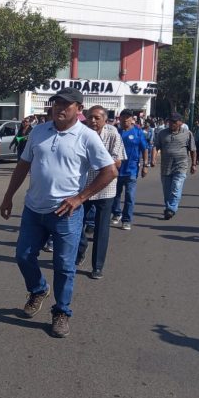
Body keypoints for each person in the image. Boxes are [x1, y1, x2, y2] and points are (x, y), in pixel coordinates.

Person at [0, 88, 116, 338]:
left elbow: (110, 171)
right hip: (33, 209)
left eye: (67, 104)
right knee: (23, 256)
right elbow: (23, 164)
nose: (60, 108)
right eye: (57, 103)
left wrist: (79, 198)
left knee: (64, 266)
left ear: (79, 109)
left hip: (66, 213)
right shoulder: (39, 131)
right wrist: (8, 196)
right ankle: (39, 289)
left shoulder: (87, 136)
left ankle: (61, 311)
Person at [74, 105, 125, 280]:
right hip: (84, 187)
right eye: (90, 118)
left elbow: (117, 162)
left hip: (105, 187)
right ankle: (81, 249)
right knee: (76, 224)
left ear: (105, 119)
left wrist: (96, 163)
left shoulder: (113, 134)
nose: (93, 121)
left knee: (102, 229)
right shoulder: (80, 132)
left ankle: (97, 266)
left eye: (97, 118)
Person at [110, 109, 148, 230]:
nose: (126, 119)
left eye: (128, 117)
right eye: (123, 117)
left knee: (129, 196)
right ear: (119, 118)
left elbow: (145, 149)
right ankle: (117, 213)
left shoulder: (138, 132)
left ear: (132, 119)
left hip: (131, 169)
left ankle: (127, 220)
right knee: (115, 195)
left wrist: (145, 165)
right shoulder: (115, 131)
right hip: (116, 169)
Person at [154, 113, 197, 219]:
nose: (171, 123)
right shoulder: (162, 133)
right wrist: (153, 159)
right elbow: (156, 147)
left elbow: (192, 149)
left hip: (181, 166)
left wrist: (194, 164)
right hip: (165, 166)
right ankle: (169, 207)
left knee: (176, 188)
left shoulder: (187, 133)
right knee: (167, 191)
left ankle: (171, 209)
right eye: (170, 121)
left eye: (174, 121)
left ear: (180, 122)